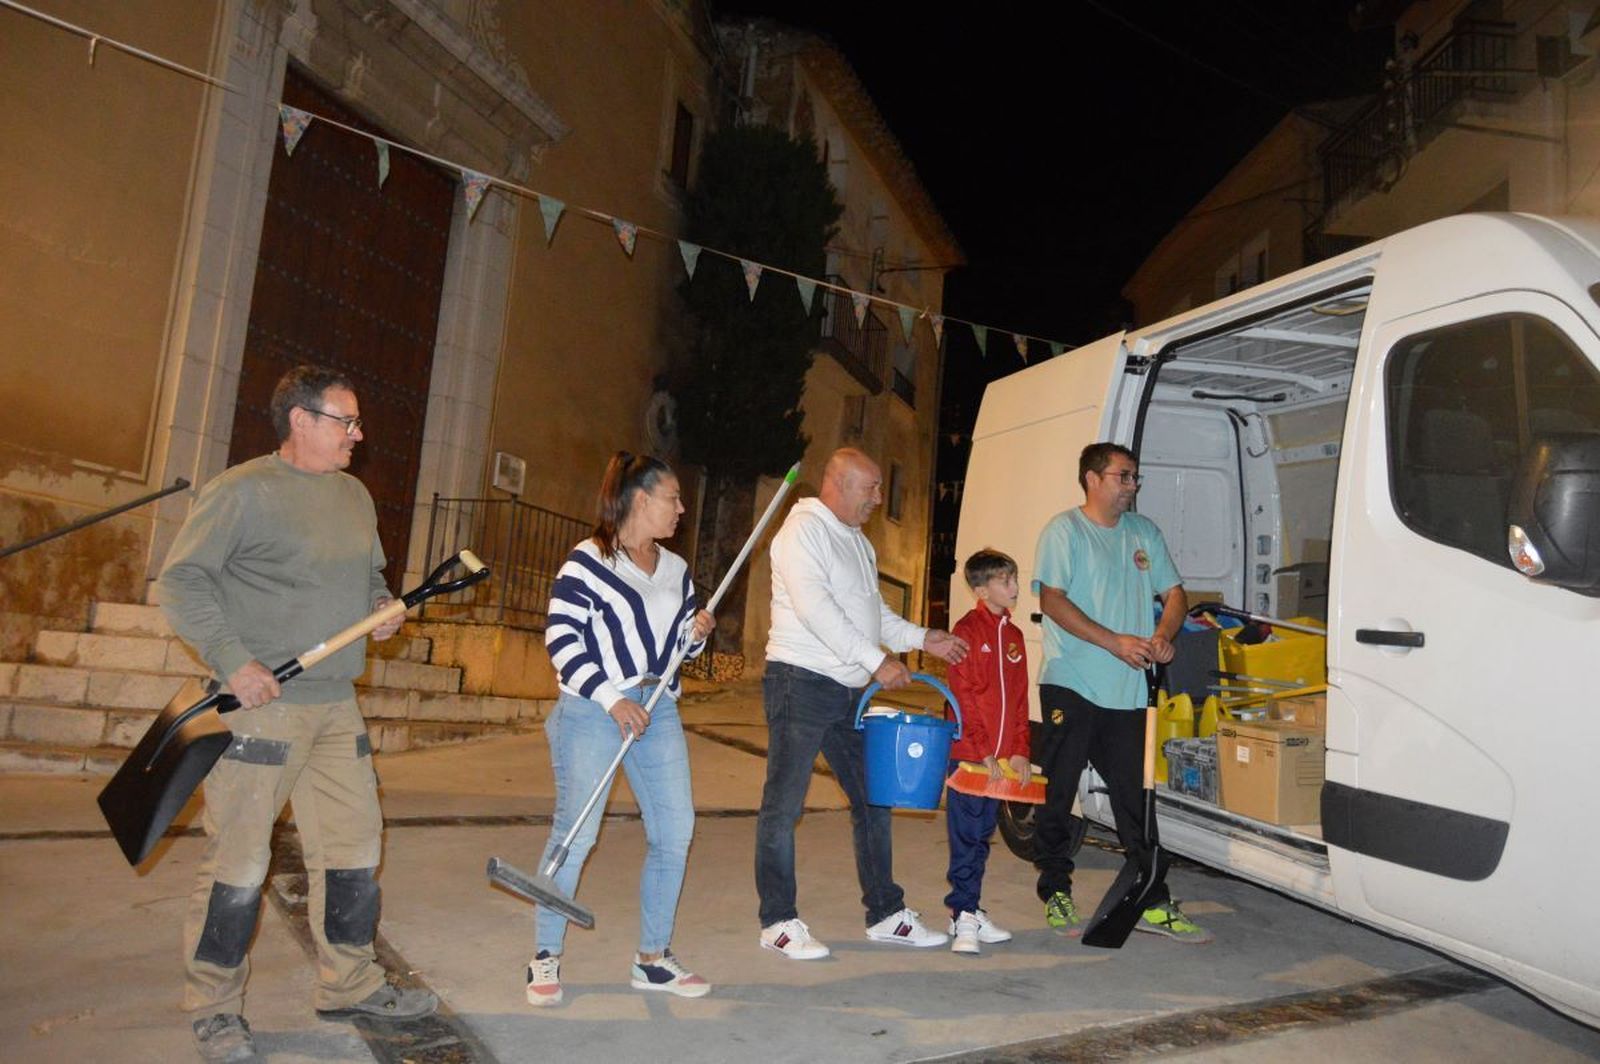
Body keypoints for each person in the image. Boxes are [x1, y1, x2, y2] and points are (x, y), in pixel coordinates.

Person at [158, 365, 434, 1064]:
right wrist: (233, 660)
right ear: (301, 421)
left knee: (353, 854)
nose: (359, 434)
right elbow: (183, 581)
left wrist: (379, 613)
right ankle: (215, 1008)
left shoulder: (354, 496)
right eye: (347, 421)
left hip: (336, 705)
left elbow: (368, 579)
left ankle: (350, 984)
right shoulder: (242, 492)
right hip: (263, 708)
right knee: (238, 864)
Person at [756, 447, 970, 959]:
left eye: (879, 488)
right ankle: (777, 921)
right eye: (871, 488)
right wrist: (876, 663)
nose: (879, 497)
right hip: (799, 682)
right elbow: (817, 610)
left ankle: (885, 913)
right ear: (838, 484)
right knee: (783, 807)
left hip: (847, 692)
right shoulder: (803, 531)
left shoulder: (857, 542)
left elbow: (872, 615)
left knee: (873, 796)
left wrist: (923, 636)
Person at [529, 452, 715, 1006]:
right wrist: (612, 700)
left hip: (657, 705)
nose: (681, 509)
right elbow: (562, 641)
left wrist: (697, 632)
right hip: (592, 709)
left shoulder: (677, 570)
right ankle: (544, 956)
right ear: (640, 500)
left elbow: (676, 647)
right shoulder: (588, 562)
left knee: (675, 831)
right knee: (576, 833)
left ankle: (652, 960)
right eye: (672, 498)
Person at [1030, 442, 1211, 943]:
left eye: (1135, 478)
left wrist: (1164, 637)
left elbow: (1175, 594)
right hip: (1073, 680)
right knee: (1061, 787)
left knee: (1137, 797)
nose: (1132, 486)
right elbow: (1052, 601)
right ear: (1092, 478)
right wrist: (1114, 641)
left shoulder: (1143, 532)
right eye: (1124, 476)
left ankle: (1152, 899)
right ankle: (1055, 888)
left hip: (1129, 690)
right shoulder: (1065, 531)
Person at [942, 548, 1032, 955]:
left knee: (982, 837)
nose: (1014, 587)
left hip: (999, 761)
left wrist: (1019, 750)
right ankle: (961, 914)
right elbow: (962, 698)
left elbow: (1018, 700)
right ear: (981, 589)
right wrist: (981, 752)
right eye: (1004, 580)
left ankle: (971, 909)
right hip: (971, 757)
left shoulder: (1013, 637)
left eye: (1014, 579)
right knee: (965, 837)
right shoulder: (966, 632)